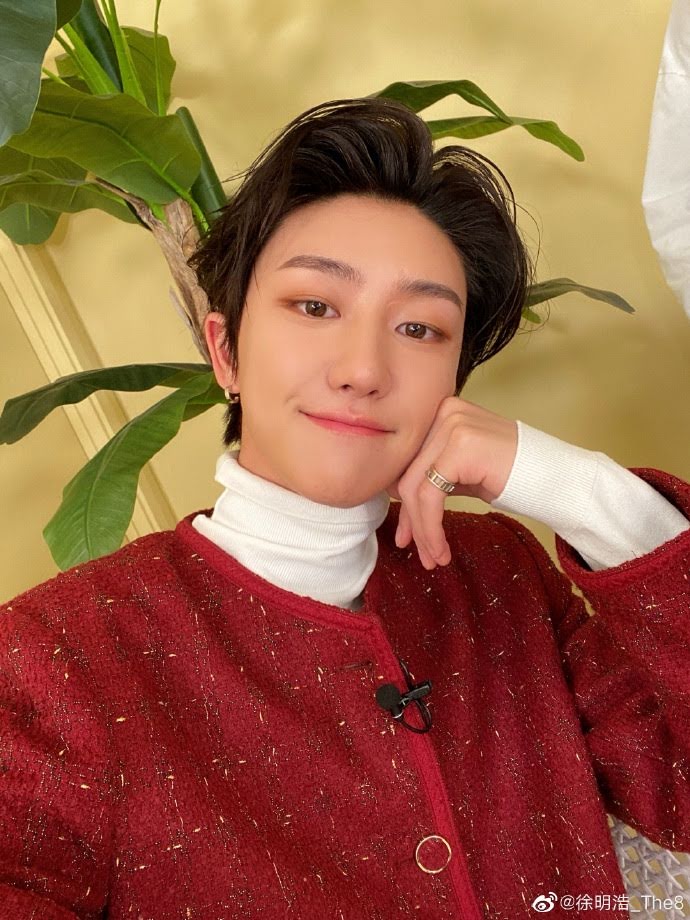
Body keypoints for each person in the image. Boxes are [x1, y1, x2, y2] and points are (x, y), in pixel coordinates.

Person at [0, 97, 688, 920]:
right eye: (315, 306)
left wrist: (585, 491)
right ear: (225, 351)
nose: (363, 369)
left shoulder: (502, 573)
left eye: (420, 328)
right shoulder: (50, 660)